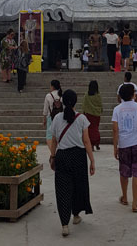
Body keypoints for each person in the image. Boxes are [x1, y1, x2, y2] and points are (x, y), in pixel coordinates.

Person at [50, 89, 95, 237]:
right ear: (76, 102)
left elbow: (54, 140)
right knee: (78, 186)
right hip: (78, 156)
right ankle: (75, 216)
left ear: (62, 101)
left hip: (62, 156)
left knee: (63, 189)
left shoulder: (57, 118)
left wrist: (52, 156)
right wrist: (92, 161)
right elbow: (87, 141)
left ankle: (64, 225)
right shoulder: (82, 119)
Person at [112, 83, 137, 213]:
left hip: (124, 144)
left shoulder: (117, 109)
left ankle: (125, 197)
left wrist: (115, 147)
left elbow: (115, 130)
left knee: (124, 171)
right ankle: (135, 203)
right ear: (133, 94)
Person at [43, 80, 63, 154]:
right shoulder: (61, 95)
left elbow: (45, 109)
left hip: (51, 118)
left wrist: (44, 119)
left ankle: (52, 153)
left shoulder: (48, 95)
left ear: (52, 86)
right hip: (61, 118)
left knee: (49, 136)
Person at [83, 80, 102, 150]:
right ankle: (97, 143)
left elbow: (84, 105)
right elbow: (100, 105)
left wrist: (84, 112)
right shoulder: (98, 96)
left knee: (90, 130)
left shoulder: (86, 95)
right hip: (97, 115)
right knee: (96, 128)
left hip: (89, 114)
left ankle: (91, 144)